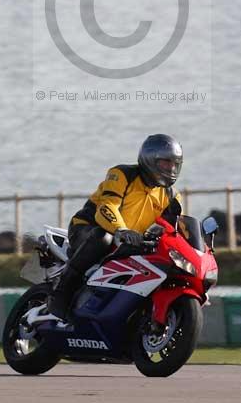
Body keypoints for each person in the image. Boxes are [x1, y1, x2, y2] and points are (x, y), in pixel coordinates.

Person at [48, 133, 183, 321]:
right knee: (103, 238)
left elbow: (173, 229)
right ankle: (61, 293)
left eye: (174, 164)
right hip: (87, 229)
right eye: (165, 163)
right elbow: (106, 207)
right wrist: (121, 230)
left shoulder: (172, 196)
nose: (171, 168)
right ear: (150, 159)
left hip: (131, 242)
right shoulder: (122, 174)